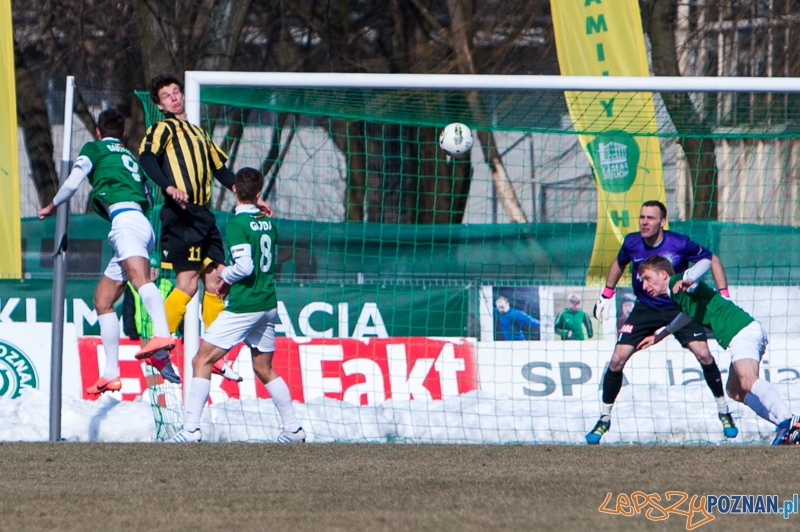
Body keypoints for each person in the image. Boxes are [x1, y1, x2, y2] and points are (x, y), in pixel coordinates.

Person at [37, 108, 179, 393]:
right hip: (137, 223)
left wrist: (52, 205)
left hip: (125, 224)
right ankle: (113, 373)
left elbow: (73, 182)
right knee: (102, 300)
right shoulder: (131, 158)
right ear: (123, 134)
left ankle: (163, 337)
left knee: (141, 281)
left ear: (99, 132)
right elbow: (148, 196)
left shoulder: (94, 148)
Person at [138, 74, 272, 356]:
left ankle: (215, 350)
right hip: (181, 214)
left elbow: (222, 171)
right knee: (187, 284)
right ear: (160, 105)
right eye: (166, 96)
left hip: (204, 215)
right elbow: (147, 158)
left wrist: (251, 199)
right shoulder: (162, 128)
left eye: (176, 92)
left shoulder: (199, 133)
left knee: (216, 284)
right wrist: (168, 186)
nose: (174, 97)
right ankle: (159, 342)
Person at [169, 168, 304, 443]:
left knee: (201, 359)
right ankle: (293, 429)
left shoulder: (235, 225)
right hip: (267, 302)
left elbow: (245, 265)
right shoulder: (269, 223)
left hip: (246, 305)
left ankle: (191, 429)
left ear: (233, 190)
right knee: (263, 368)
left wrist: (225, 276)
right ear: (258, 193)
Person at [586, 200, 736, 444]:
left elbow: (712, 259)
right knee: (616, 359)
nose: (644, 222)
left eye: (650, 218)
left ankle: (724, 411)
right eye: (642, 217)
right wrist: (606, 294)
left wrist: (725, 294)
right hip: (646, 308)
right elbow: (619, 262)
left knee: (704, 355)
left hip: (681, 305)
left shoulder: (680, 243)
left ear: (662, 222)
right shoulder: (632, 242)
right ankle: (604, 417)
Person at [636, 255, 800, 445]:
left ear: (663, 274)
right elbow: (688, 315)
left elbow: (707, 262)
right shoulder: (678, 295)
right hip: (743, 332)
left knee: (747, 380)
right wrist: (661, 335)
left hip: (742, 331)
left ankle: (785, 420)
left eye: (647, 278)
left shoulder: (679, 281)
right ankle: (792, 423)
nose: (644, 285)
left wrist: (688, 279)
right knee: (735, 390)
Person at [122, 260, 242, 381]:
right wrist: (130, 329)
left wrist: (184, 331)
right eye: (150, 268)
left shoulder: (166, 284)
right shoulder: (132, 287)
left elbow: (181, 311)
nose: (152, 272)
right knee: (190, 284)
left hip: (165, 336)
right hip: (141, 336)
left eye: (155, 269)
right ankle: (159, 350)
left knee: (211, 286)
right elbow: (128, 309)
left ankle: (215, 354)